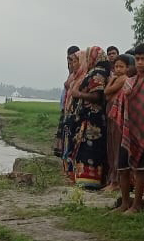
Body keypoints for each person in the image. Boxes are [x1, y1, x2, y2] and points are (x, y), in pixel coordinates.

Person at [120, 44, 144, 214]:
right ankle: (124, 202)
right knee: (122, 167)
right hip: (127, 130)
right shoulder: (129, 82)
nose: (140, 63)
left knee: (140, 169)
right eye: (137, 59)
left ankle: (136, 204)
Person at [66, 46, 110, 190]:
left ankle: (90, 180)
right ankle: (84, 178)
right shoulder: (94, 72)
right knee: (85, 148)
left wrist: (79, 94)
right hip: (88, 117)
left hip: (93, 119)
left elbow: (97, 96)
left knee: (90, 149)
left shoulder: (98, 72)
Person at [103, 54, 134, 194]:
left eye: (121, 66)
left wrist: (111, 81)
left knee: (116, 147)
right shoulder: (116, 78)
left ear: (127, 68)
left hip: (119, 117)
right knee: (111, 148)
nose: (118, 69)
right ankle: (112, 179)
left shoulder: (123, 79)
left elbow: (106, 91)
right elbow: (108, 96)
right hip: (112, 114)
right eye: (116, 66)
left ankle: (116, 181)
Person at [54, 46, 82, 158]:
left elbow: (68, 85)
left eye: (73, 59)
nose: (70, 62)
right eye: (69, 59)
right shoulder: (72, 71)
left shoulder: (79, 72)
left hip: (72, 109)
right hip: (66, 105)